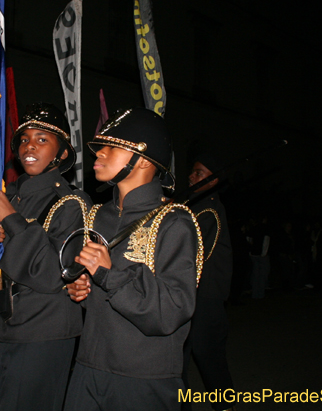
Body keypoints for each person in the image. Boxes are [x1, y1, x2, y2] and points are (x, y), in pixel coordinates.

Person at [64, 107, 201, 411]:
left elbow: (173, 311)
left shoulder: (174, 222)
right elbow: (94, 292)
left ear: (142, 159)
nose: (99, 153)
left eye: (111, 146)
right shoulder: (96, 216)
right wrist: (80, 290)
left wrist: (108, 275)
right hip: (88, 366)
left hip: (144, 379)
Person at [0, 103, 90, 411]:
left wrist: (11, 220)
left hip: (42, 333)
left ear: (61, 153)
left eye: (42, 140)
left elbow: (54, 274)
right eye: (24, 139)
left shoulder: (70, 203)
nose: (29, 146)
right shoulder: (7, 197)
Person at [181, 154, 234, 411]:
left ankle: (225, 406)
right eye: (193, 171)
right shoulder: (194, 205)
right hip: (191, 295)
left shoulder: (209, 209)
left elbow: (193, 253)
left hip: (206, 297)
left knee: (207, 355)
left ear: (214, 180)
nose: (192, 176)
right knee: (178, 355)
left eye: (200, 173)